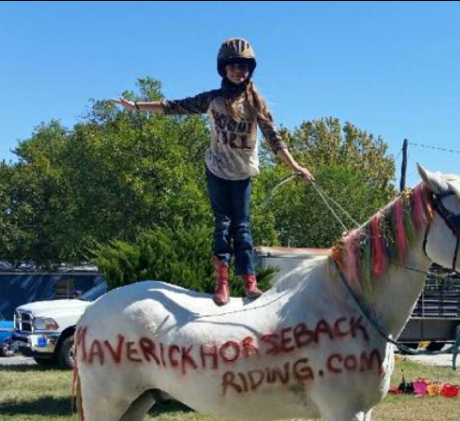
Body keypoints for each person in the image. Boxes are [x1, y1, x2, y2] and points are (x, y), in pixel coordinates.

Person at [113, 37, 313, 305]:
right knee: (223, 225)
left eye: (242, 66)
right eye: (232, 66)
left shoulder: (255, 103)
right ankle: (222, 284)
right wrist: (137, 106)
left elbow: (274, 139)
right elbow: (174, 106)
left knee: (242, 228)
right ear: (223, 68)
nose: (237, 71)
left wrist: (295, 166)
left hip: (242, 173)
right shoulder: (213, 99)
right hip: (217, 170)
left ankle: (250, 283)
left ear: (249, 70)